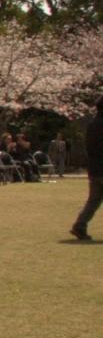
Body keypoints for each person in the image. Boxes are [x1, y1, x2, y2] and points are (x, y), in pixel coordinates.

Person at [70, 97, 103, 241]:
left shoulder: (92, 125)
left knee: (93, 200)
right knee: (93, 200)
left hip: (95, 168)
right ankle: (79, 226)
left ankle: (79, 225)